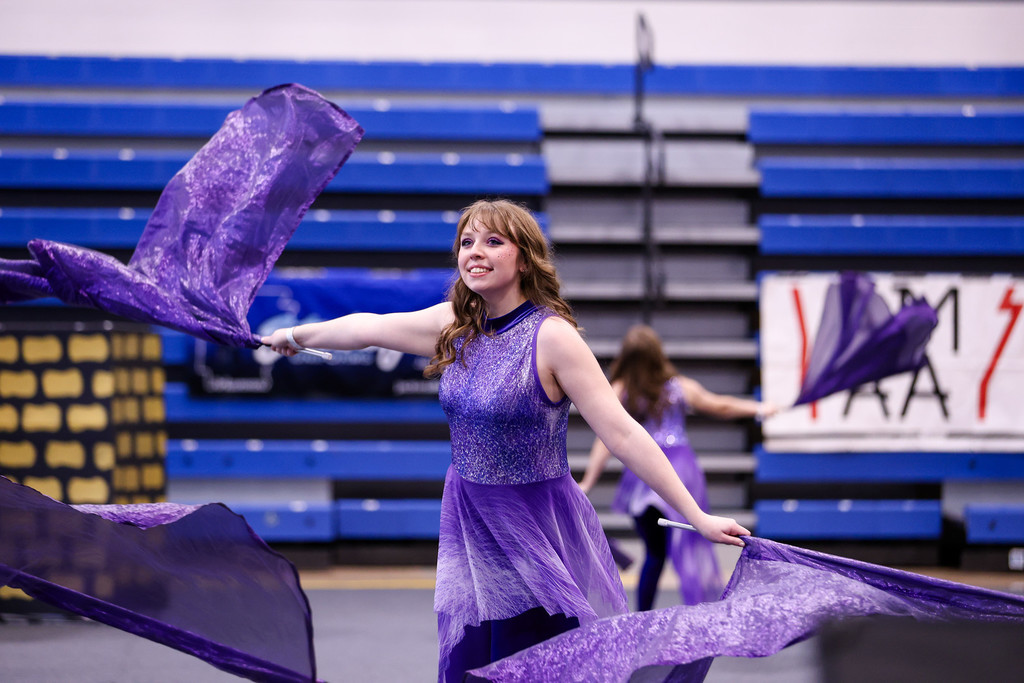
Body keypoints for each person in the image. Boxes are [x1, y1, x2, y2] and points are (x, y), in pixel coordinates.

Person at [263, 199, 750, 682]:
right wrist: (296, 334)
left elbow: (623, 432)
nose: (475, 252)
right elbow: (368, 327)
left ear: (524, 257)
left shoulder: (552, 337)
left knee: (528, 667)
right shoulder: (457, 326)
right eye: (467, 242)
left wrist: (696, 515)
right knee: (475, 666)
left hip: (531, 531)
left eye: (493, 242)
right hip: (471, 527)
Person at [578, 324, 778, 611]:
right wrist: (758, 408)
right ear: (658, 355)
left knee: (655, 551)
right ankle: (693, 609)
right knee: (679, 544)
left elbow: (603, 440)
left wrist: (588, 481)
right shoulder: (676, 387)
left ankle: (644, 614)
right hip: (678, 472)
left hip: (645, 475)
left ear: (627, 358)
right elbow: (720, 406)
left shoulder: (622, 390)